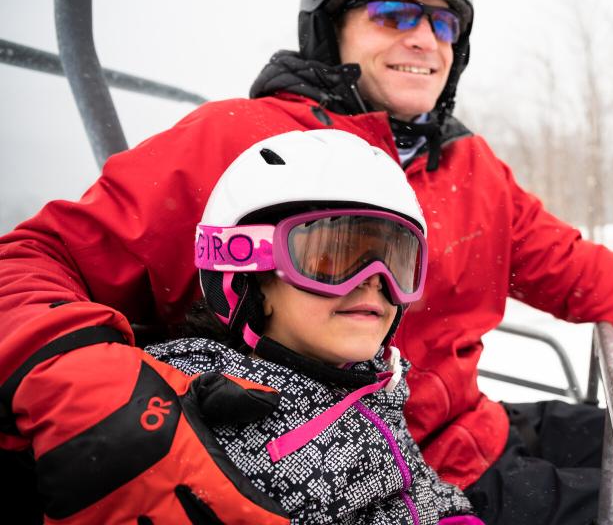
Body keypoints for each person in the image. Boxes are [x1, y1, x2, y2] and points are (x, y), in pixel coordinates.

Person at [0, 0, 613, 523]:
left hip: (473, 424)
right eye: (393, 14)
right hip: (381, 461)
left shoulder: (467, 165)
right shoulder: (245, 144)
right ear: (333, 31)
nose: (425, 38)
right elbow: (31, 264)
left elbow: (580, 272)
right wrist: (92, 388)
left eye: (443, 21)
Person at [146, 128, 480, 524]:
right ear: (250, 277)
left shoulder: (366, 383)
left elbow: (412, 490)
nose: (374, 280)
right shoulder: (208, 418)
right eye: (332, 258)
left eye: (395, 261)